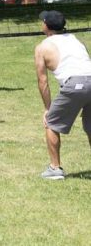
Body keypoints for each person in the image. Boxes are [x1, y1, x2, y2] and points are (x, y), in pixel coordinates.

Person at [34, 10, 91, 180]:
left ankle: (55, 169)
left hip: (75, 84)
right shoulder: (76, 40)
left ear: (46, 26)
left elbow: (42, 81)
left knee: (51, 122)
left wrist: (47, 108)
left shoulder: (42, 47)